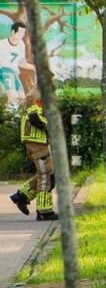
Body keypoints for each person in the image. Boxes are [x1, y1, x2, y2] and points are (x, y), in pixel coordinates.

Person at [9, 88, 58, 221]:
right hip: (35, 141)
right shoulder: (35, 95)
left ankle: (22, 196)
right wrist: (52, 127)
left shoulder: (40, 94)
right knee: (46, 175)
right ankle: (44, 212)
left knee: (49, 174)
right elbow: (35, 118)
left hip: (39, 142)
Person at [0, 22, 36, 105]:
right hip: (4, 70)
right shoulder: (2, 44)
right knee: (12, 96)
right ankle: (9, 116)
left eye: (23, 32)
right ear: (13, 32)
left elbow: (21, 63)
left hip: (15, 73)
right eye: (20, 32)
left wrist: (34, 67)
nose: (22, 35)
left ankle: (18, 117)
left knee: (22, 98)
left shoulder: (21, 45)